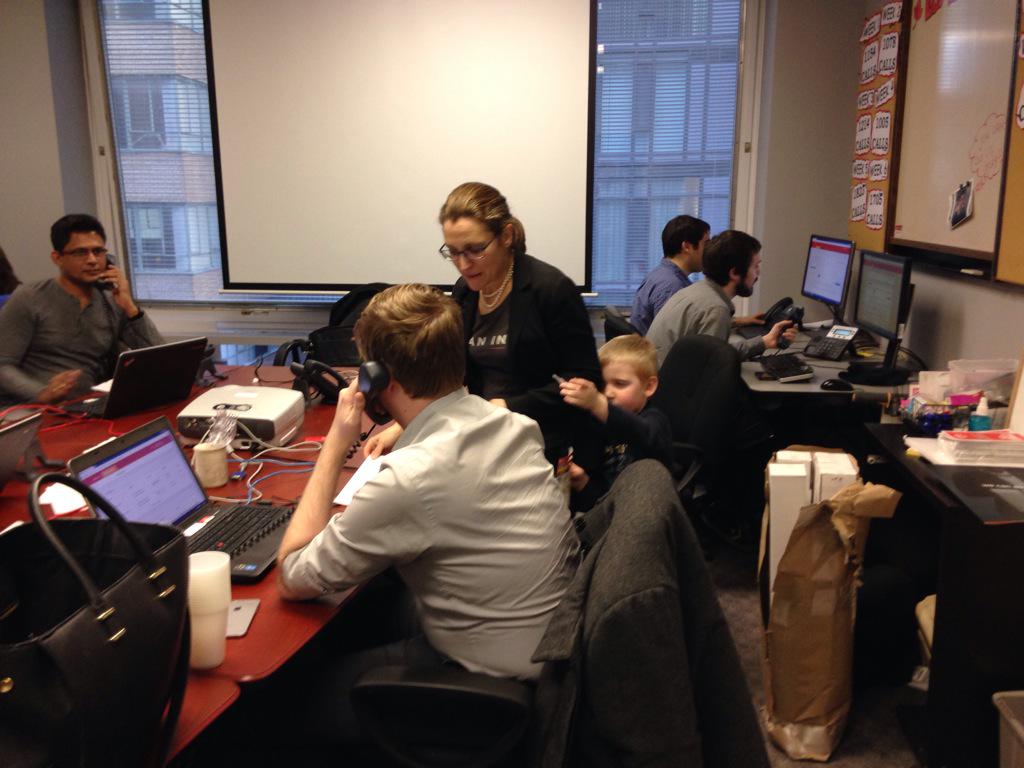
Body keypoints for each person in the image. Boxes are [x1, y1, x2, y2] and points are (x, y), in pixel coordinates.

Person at [275, 283, 578, 740]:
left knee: (288, 701)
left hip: (491, 689)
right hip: (547, 650)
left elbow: (293, 575)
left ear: (379, 379)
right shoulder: (514, 426)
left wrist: (336, 443)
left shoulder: (410, 478)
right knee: (366, 608)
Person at [365, 181, 603, 474]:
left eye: (475, 250)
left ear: (506, 236)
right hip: (480, 437)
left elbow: (586, 382)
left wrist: (508, 405)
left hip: (540, 446)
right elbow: (451, 376)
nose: (463, 264)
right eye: (453, 252)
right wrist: (403, 427)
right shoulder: (465, 291)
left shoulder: (550, 290)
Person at [0, 214, 163, 404]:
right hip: (34, 408)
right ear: (58, 258)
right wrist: (41, 393)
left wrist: (130, 308)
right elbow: (3, 365)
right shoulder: (29, 298)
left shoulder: (112, 301)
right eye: (80, 253)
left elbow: (160, 358)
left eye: (98, 251)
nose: (92, 260)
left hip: (87, 405)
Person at [647, 229, 796, 366]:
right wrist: (764, 342)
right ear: (734, 273)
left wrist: (740, 323)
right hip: (668, 384)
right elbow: (714, 361)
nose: (758, 273)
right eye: (755, 266)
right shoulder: (716, 309)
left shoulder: (697, 291)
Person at [559, 334, 672, 511]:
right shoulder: (598, 423)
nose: (608, 393)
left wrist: (598, 403)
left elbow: (643, 434)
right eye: (602, 385)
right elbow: (601, 501)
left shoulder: (655, 422)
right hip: (604, 509)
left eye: (620, 384)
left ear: (648, 387)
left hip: (644, 508)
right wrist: (582, 482)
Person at [630, 215, 710, 335]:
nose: (709, 250)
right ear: (687, 246)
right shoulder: (671, 286)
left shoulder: (661, 274)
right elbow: (668, 338)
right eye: (706, 244)